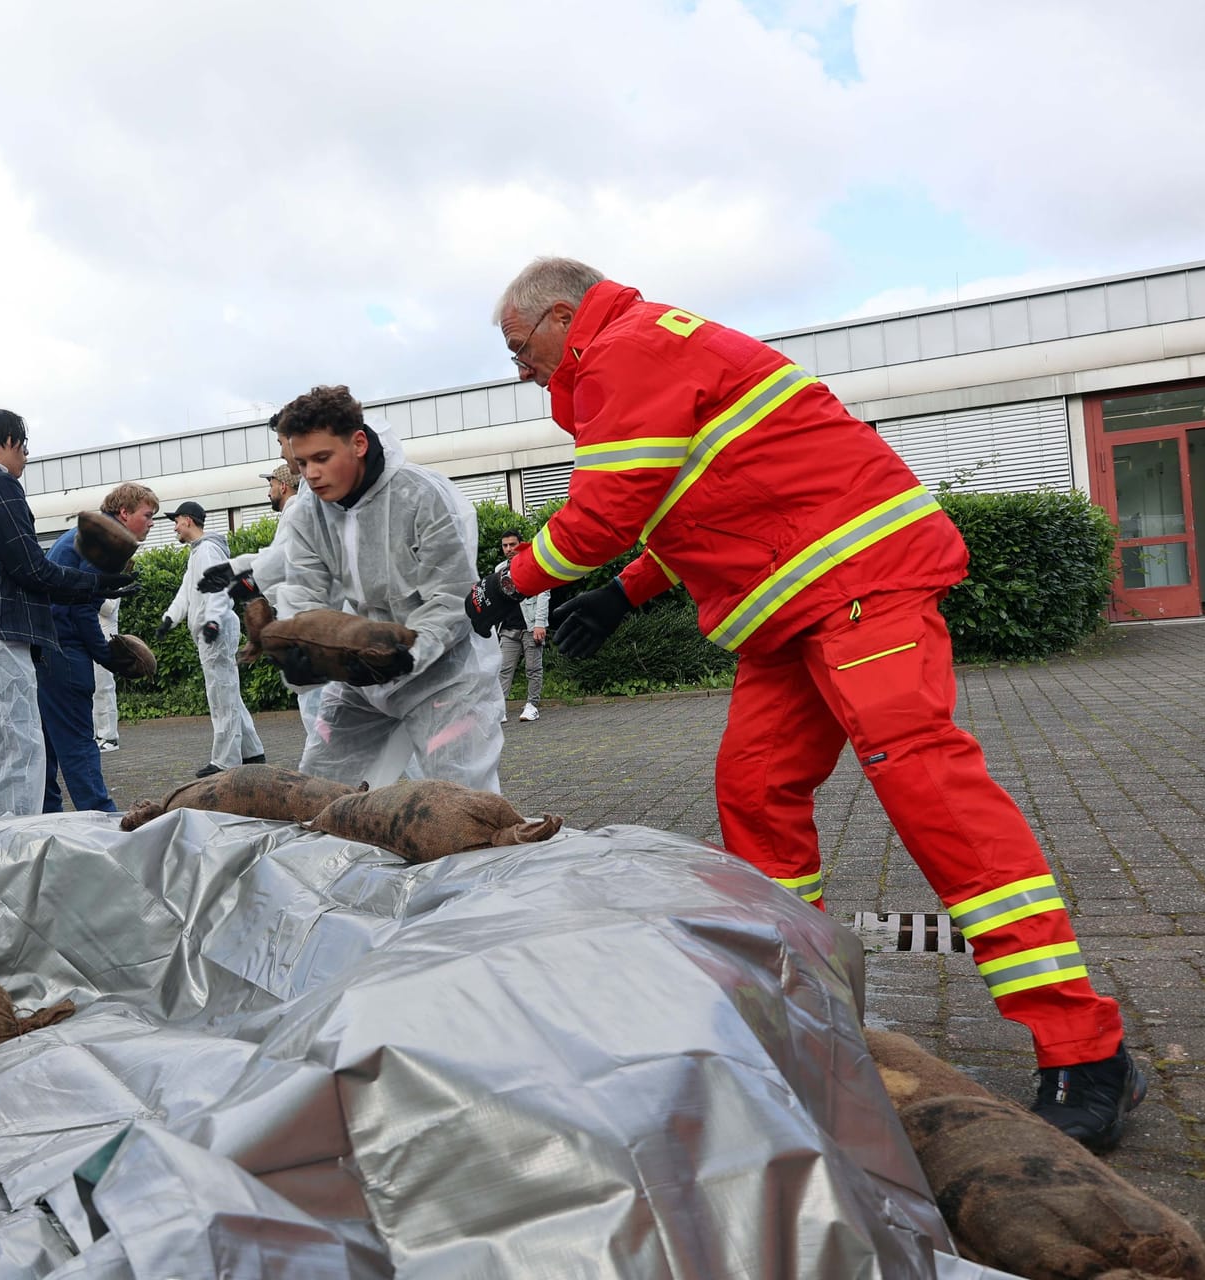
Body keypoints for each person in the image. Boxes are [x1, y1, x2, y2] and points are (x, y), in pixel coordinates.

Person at [469, 255, 1140, 1151]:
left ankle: (1086, 1047)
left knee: (929, 795)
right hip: (798, 605)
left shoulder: (626, 350)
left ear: (561, 315)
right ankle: (800, 1006)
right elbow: (705, 498)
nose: (521, 372)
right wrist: (625, 593)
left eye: (520, 349)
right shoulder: (649, 354)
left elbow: (610, 505)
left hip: (859, 586)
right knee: (754, 789)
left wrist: (512, 579)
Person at [260, 385, 503, 790]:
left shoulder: (424, 495)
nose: (311, 474)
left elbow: (450, 596)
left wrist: (407, 654)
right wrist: (303, 648)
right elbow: (305, 594)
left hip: (447, 674)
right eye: (302, 462)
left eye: (322, 458)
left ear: (358, 443)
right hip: (362, 671)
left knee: (460, 802)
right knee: (323, 789)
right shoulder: (308, 514)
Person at [0, 409, 136, 819]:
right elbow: (31, 568)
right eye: (20, 444)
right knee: (16, 755)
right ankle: (13, 858)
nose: (25, 454)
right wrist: (96, 584)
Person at [199, 443, 331, 741]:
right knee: (321, 712)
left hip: (310, 625)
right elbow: (273, 557)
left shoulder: (298, 509)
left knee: (320, 715)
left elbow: (283, 559)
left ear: (283, 486)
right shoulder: (298, 510)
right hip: (307, 624)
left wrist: (241, 581)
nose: (268, 491)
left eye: (270, 484)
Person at [41, 483, 160, 811]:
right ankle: (103, 819)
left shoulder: (87, 531)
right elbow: (80, 608)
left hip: (47, 648)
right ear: (124, 513)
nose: (152, 523)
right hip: (64, 649)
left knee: (48, 745)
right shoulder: (109, 540)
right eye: (147, 515)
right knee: (79, 742)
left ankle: (48, 818)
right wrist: (107, 657)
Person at [158, 501, 264, 778]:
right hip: (211, 629)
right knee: (227, 691)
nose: (175, 527)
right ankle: (253, 751)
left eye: (177, 521)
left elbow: (218, 589)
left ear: (189, 520)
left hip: (214, 631)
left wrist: (214, 620)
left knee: (221, 696)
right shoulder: (199, 553)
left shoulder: (207, 550)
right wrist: (170, 617)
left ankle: (225, 761)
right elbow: (187, 590)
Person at [492, 531, 551, 723]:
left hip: (530, 625)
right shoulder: (499, 569)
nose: (508, 549)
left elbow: (543, 593)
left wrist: (540, 624)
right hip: (508, 628)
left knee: (533, 669)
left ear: (520, 544)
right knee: (503, 669)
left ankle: (532, 706)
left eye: (512, 544)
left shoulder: (532, 563)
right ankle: (499, 708)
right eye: (505, 545)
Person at [92, 595, 122, 752]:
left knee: (104, 685)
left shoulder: (113, 575)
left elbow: (108, 607)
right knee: (92, 687)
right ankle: (97, 733)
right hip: (91, 635)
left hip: (105, 636)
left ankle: (109, 736)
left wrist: (88, 593)